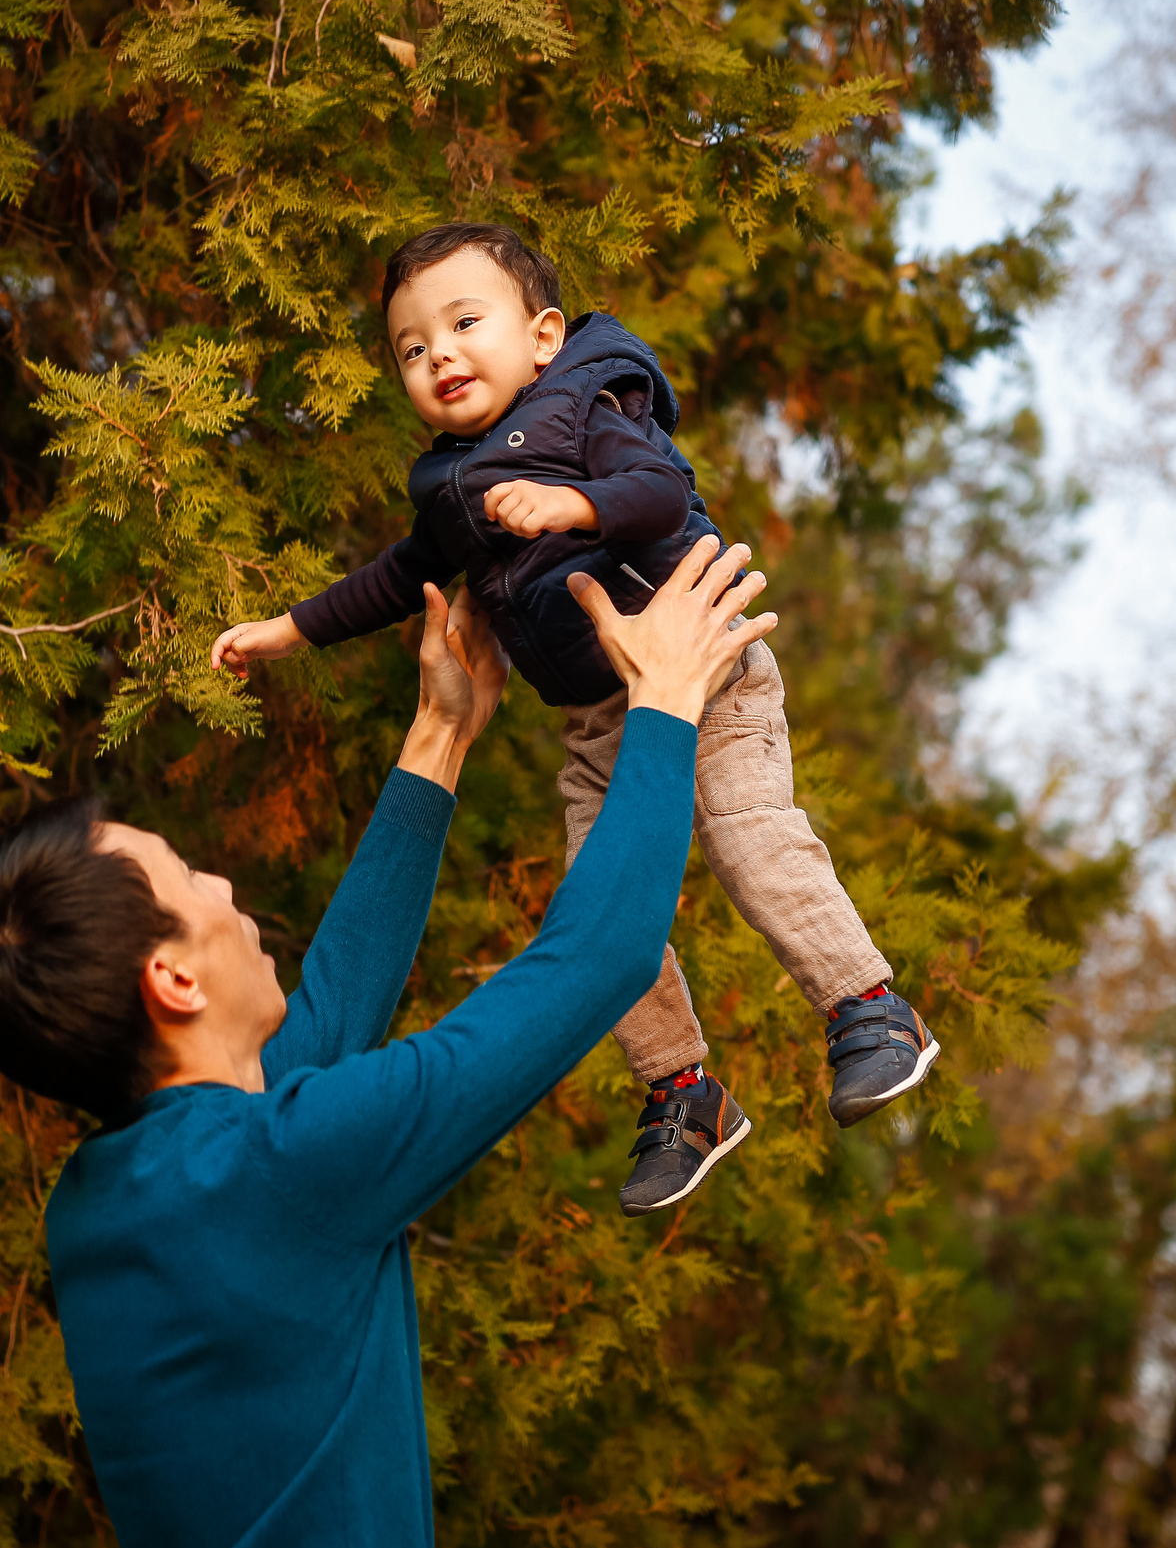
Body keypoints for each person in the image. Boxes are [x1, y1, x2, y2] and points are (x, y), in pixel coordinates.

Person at [0, 537, 772, 1548]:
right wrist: (664, 702)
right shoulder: (280, 1169)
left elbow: (310, 1038)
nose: (227, 889)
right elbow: (597, 958)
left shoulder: (109, 1203)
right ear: (173, 982)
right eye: (194, 884)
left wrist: (441, 733)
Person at [209, 223, 938, 1217]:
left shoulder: (588, 406)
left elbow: (657, 491)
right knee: (595, 907)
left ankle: (869, 1008)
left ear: (543, 336)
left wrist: (575, 510)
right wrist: (286, 630)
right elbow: (396, 577)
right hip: (600, 724)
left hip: (705, 674)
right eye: (413, 349)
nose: (441, 356)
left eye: (465, 324)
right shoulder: (452, 485)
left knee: (743, 834)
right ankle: (683, 1092)